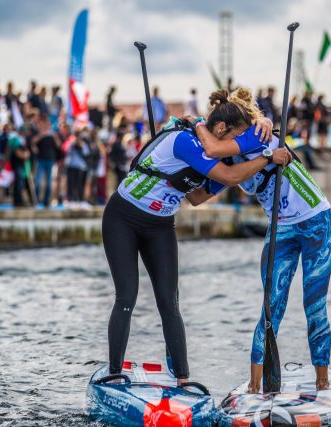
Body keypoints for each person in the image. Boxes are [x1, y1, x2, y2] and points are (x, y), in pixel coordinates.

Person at [102, 87, 289, 385]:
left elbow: (198, 198)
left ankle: (183, 379)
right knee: (127, 296)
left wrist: (264, 124)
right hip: (123, 217)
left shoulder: (214, 145)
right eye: (233, 141)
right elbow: (228, 175)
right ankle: (113, 373)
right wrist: (268, 159)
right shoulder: (184, 140)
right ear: (219, 128)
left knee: (169, 302)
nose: (234, 149)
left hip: (160, 225)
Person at [192, 90, 331, 393]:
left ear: (222, 129)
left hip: (316, 222)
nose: (240, 141)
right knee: (270, 309)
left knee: (314, 306)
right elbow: (198, 197)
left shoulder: (257, 134)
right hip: (281, 228)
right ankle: (255, 387)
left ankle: (322, 382)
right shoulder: (231, 162)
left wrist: (196, 125)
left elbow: (214, 147)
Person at [33, 118, 60, 207]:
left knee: (49, 182)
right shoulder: (40, 135)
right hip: (41, 160)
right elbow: (33, 142)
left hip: (50, 160)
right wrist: (41, 135)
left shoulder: (53, 135)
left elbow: (59, 145)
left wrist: (54, 136)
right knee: (38, 182)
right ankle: (35, 201)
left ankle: (46, 202)